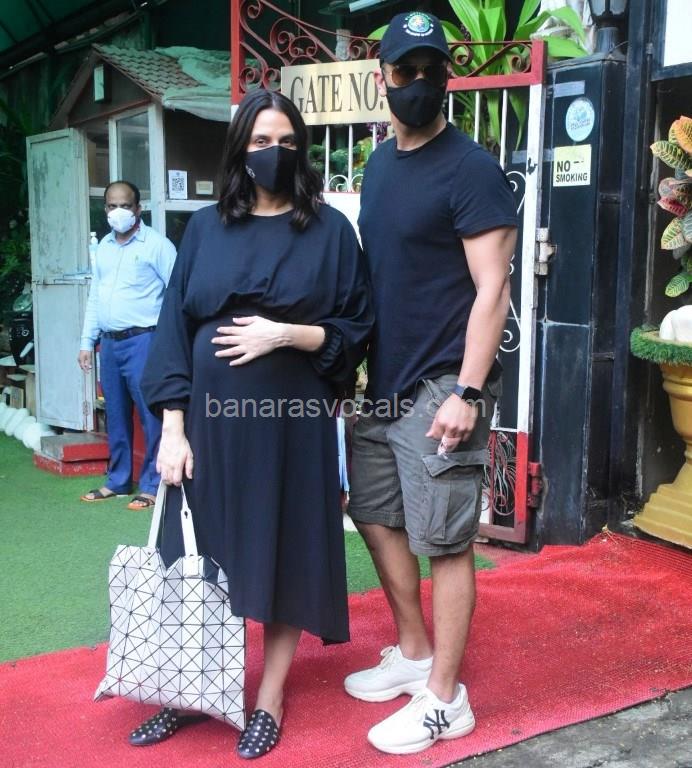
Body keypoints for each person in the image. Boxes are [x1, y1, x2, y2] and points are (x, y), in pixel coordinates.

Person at [134, 88, 372, 759]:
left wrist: (285, 334)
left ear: (302, 150)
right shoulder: (206, 228)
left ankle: (268, 698)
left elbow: (357, 326)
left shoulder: (330, 231)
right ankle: (189, 689)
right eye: (263, 141)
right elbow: (175, 327)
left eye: (288, 142)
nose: (275, 153)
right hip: (208, 423)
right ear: (241, 148)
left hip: (291, 421)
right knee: (198, 551)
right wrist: (173, 428)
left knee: (284, 545)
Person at [344, 11, 518, 756]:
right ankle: (414, 652)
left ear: (447, 77)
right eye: (404, 70)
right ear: (382, 77)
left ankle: (447, 699)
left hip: (444, 380)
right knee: (373, 513)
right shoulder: (379, 165)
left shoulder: (471, 168)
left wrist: (468, 392)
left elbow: (493, 289)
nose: (417, 83)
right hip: (383, 377)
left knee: (445, 541)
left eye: (430, 70)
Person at [78, 181, 177, 510]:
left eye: (124, 205)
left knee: (151, 414)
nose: (117, 211)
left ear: (138, 208)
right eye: (111, 205)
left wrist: (171, 341)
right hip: (109, 343)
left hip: (144, 340)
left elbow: (178, 293)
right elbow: (96, 296)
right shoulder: (104, 247)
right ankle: (118, 480)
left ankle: (152, 484)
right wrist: (86, 341)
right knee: (115, 413)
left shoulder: (157, 246)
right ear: (105, 208)